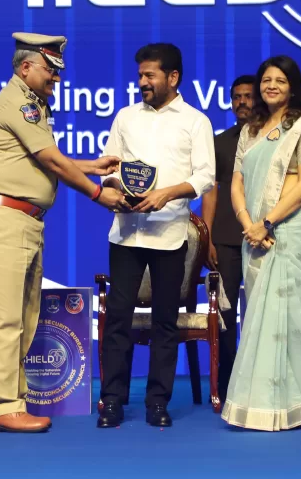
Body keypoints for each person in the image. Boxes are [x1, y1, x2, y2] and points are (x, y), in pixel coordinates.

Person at [0, 32, 128, 433]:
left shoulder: (32, 102)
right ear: (25, 67)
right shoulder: (19, 101)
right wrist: (96, 192)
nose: (56, 78)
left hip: (22, 221)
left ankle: (10, 401)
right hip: (2, 219)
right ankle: (2, 406)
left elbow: (40, 160)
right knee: (6, 319)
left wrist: (91, 165)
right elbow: (51, 162)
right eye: (49, 69)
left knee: (23, 318)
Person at [220, 56, 301, 431]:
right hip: (255, 235)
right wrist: (248, 223)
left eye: (280, 80)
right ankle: (259, 406)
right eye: (266, 80)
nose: (271, 86)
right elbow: (237, 183)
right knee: (261, 317)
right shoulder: (250, 130)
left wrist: (267, 222)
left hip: (291, 234)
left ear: (293, 86)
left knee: (294, 319)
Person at [96, 43, 215, 428]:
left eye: (150, 76)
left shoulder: (196, 121)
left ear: (173, 77)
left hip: (169, 235)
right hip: (126, 234)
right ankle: (112, 401)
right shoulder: (125, 117)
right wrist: (114, 189)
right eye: (140, 75)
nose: (142, 82)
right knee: (118, 320)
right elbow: (109, 167)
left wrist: (166, 193)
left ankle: (157, 403)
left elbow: (204, 176)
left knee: (166, 322)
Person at [201, 74, 254, 403]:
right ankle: (226, 385)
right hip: (225, 239)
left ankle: (260, 383)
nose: (242, 102)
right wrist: (206, 237)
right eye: (236, 97)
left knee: (266, 311)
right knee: (225, 312)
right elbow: (210, 192)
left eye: (248, 96)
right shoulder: (220, 143)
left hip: (266, 235)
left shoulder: (272, 138)